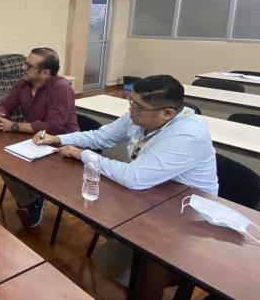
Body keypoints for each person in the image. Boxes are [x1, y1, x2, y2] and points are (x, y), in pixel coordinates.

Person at [33, 74, 218, 300]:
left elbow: (134, 177)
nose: (131, 110)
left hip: (184, 219)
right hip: (148, 198)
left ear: (168, 113)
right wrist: (59, 139)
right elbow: (102, 137)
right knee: (99, 221)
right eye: (130, 101)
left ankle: (162, 279)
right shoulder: (142, 116)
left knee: (121, 266)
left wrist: (83, 155)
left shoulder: (187, 133)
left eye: (138, 106)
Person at [0, 47, 78, 227]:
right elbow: (6, 105)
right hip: (36, 140)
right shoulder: (23, 84)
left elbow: (54, 126)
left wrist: (13, 126)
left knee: (18, 162)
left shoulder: (61, 88)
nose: (24, 68)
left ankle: (31, 198)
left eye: (29, 66)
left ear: (45, 72)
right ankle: (30, 198)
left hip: (62, 144)